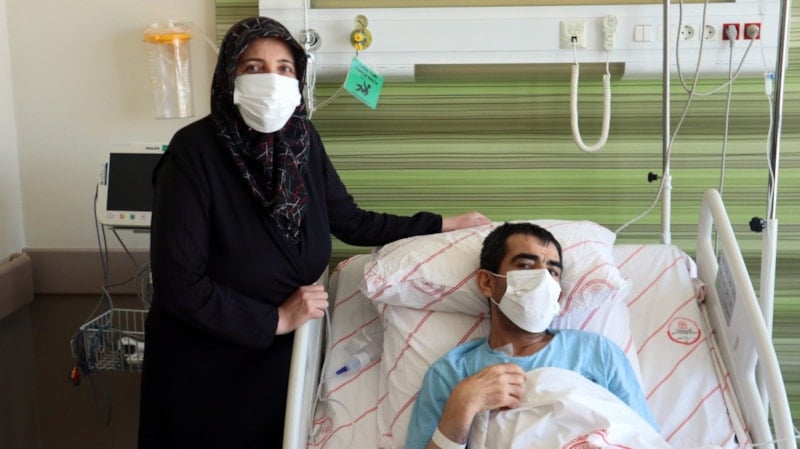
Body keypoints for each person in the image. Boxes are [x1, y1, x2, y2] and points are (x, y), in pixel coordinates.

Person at [137, 16, 490, 449]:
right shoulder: (193, 153)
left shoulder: (301, 140)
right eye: (253, 67)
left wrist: (440, 224)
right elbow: (179, 285)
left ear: (298, 78)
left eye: (284, 68)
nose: (271, 80)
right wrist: (276, 319)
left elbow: (351, 220)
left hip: (276, 359)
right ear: (229, 77)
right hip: (205, 365)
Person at [404, 222, 657, 449]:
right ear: (487, 283)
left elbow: (643, 437)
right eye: (525, 266)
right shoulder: (452, 373)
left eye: (553, 272)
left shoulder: (596, 352)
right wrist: (463, 405)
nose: (543, 280)